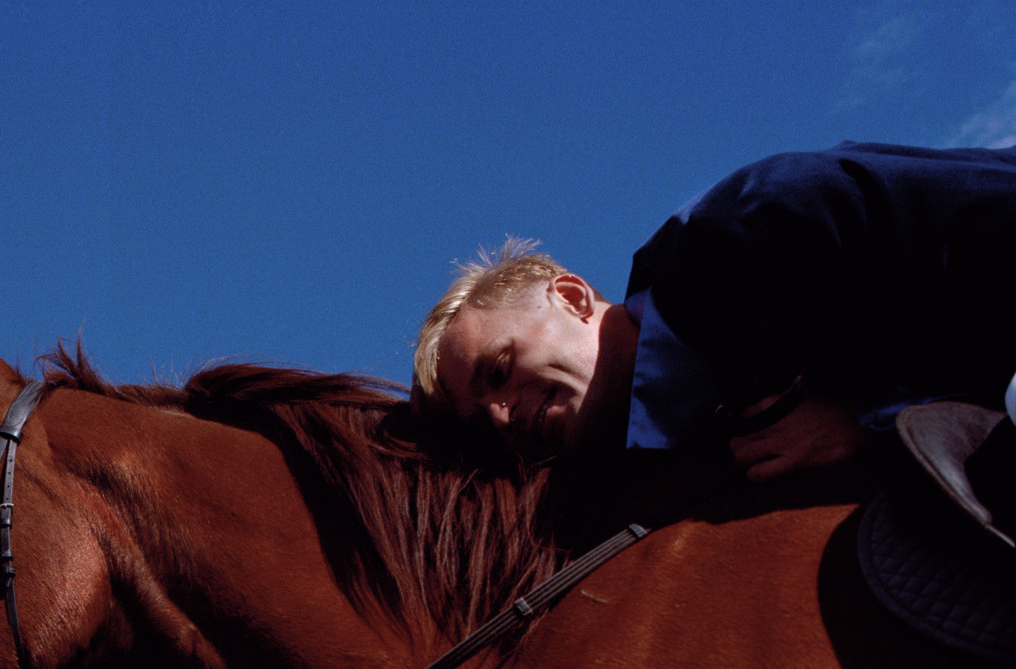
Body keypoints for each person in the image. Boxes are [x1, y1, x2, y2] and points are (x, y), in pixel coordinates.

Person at [412, 143, 1016, 508]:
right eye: (483, 421)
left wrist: (869, 415)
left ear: (570, 296)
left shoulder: (743, 233)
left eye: (498, 369)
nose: (502, 417)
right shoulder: (674, 448)